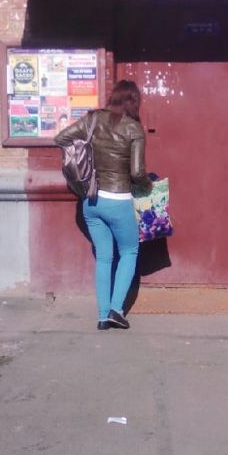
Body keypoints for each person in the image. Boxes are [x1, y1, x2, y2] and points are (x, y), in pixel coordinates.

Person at [54, 80, 152, 331]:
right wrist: (148, 185)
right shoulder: (133, 128)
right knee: (129, 251)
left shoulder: (93, 119)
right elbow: (137, 172)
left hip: (91, 200)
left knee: (104, 257)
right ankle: (116, 310)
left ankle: (102, 316)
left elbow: (61, 138)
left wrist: (84, 155)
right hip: (118, 201)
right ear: (134, 101)